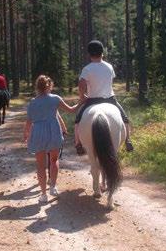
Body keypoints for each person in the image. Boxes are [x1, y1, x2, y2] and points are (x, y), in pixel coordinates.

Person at [24, 75, 82, 204]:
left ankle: (43, 194)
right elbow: (72, 110)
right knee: (54, 160)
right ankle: (53, 187)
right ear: (49, 86)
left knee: (40, 166)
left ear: (37, 87)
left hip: (38, 132)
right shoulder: (55, 99)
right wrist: (82, 101)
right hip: (53, 131)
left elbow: (28, 122)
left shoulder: (33, 102)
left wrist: (26, 135)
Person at [74, 40, 134, 155]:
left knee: (78, 119)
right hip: (110, 99)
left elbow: (81, 84)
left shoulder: (87, 69)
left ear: (89, 54)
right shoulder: (109, 67)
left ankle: (78, 144)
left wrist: (82, 96)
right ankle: (128, 140)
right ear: (102, 53)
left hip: (92, 100)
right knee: (124, 117)